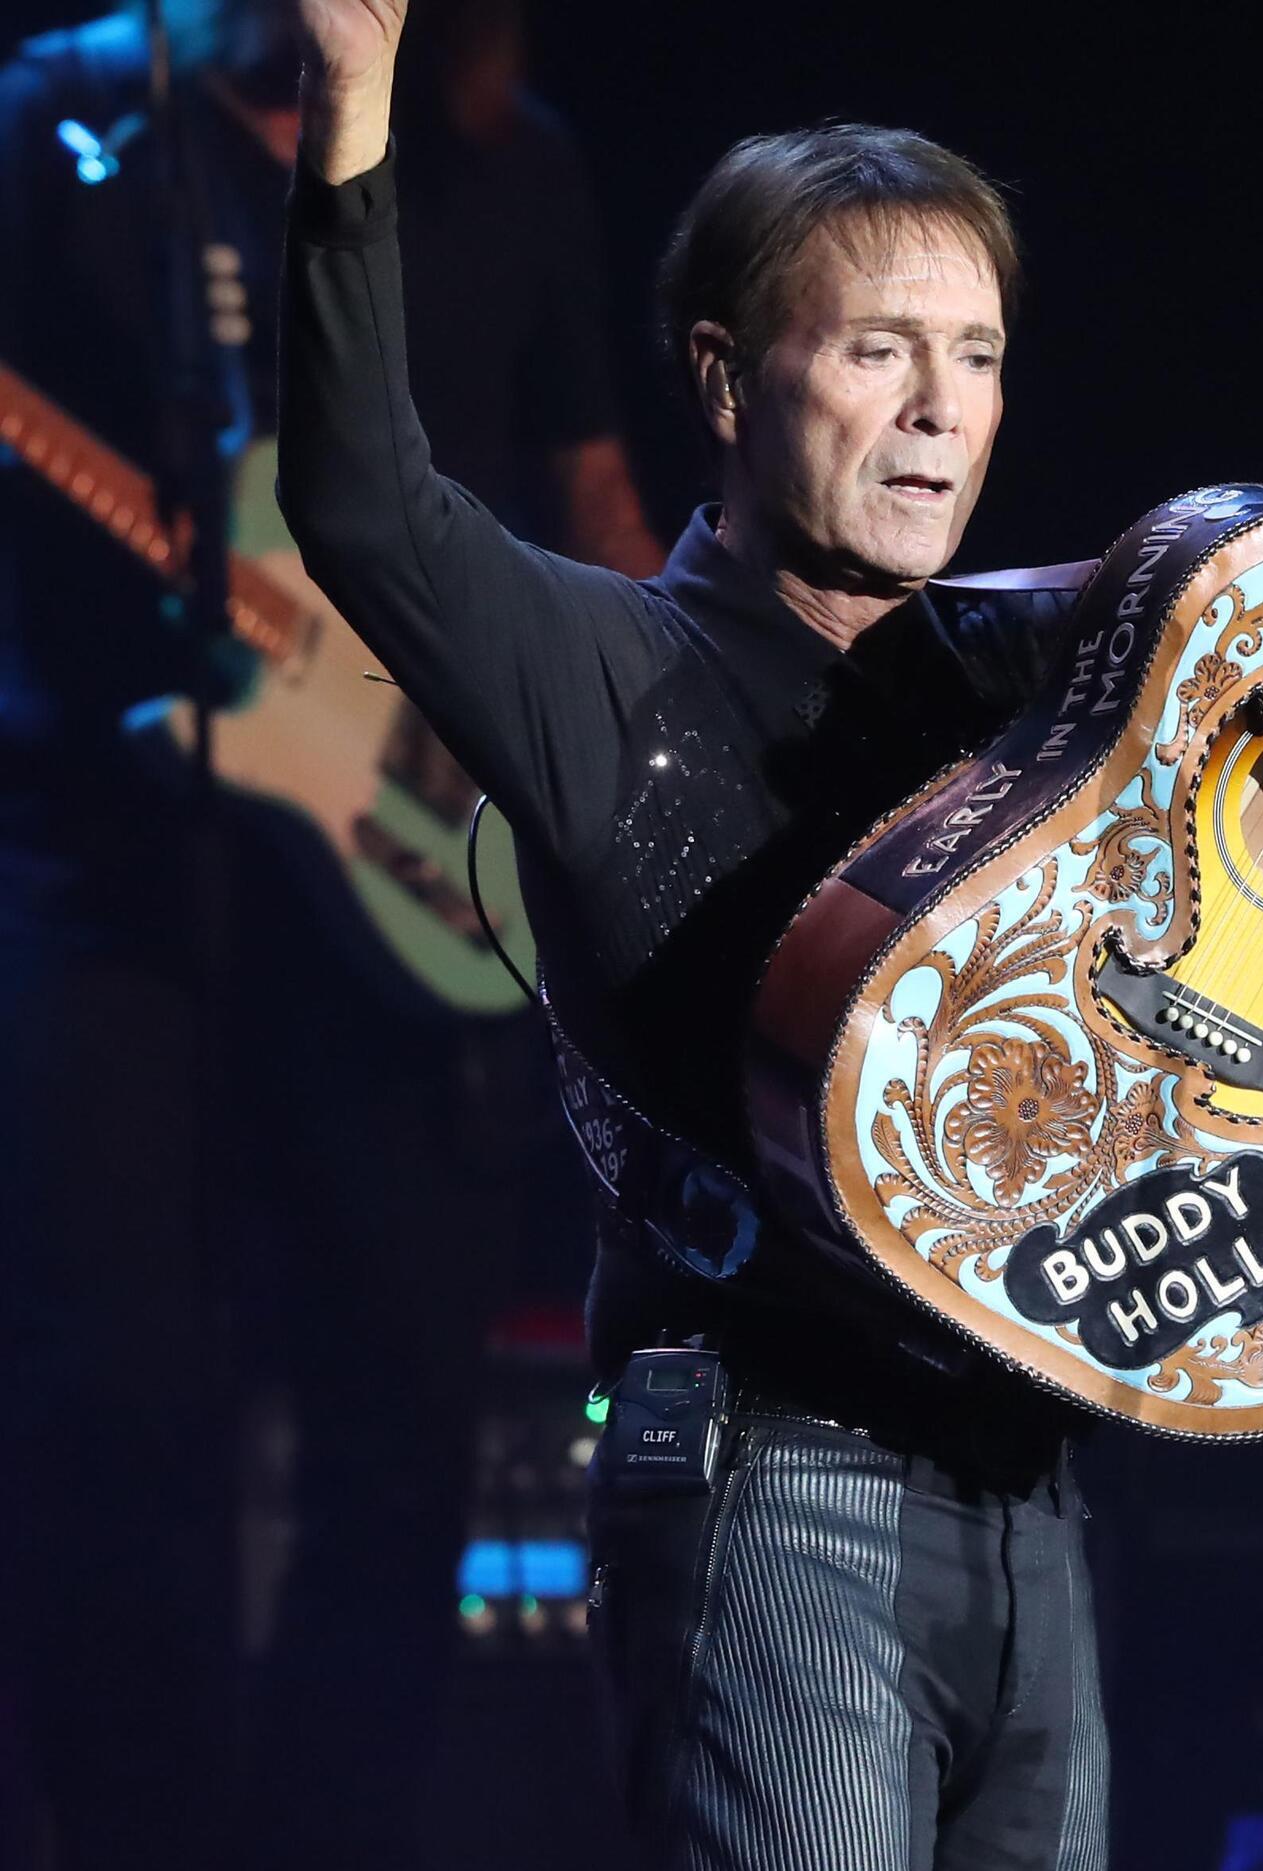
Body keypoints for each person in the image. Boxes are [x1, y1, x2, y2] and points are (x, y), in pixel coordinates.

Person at [280, 1, 1263, 1862]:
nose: (941, 407)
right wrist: (353, 101)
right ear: (728, 381)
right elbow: (364, 503)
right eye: (880, 350)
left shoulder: (1035, 662)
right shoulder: (606, 666)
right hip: (768, 1474)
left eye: (980, 356)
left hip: (1037, 1485)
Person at [0, 3, 655, 1866]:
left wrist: (635, 793)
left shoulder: (507, 160)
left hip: (414, 870)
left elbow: (591, 489)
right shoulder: (64, 120)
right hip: (107, 862)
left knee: (403, 1420)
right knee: (109, 1400)